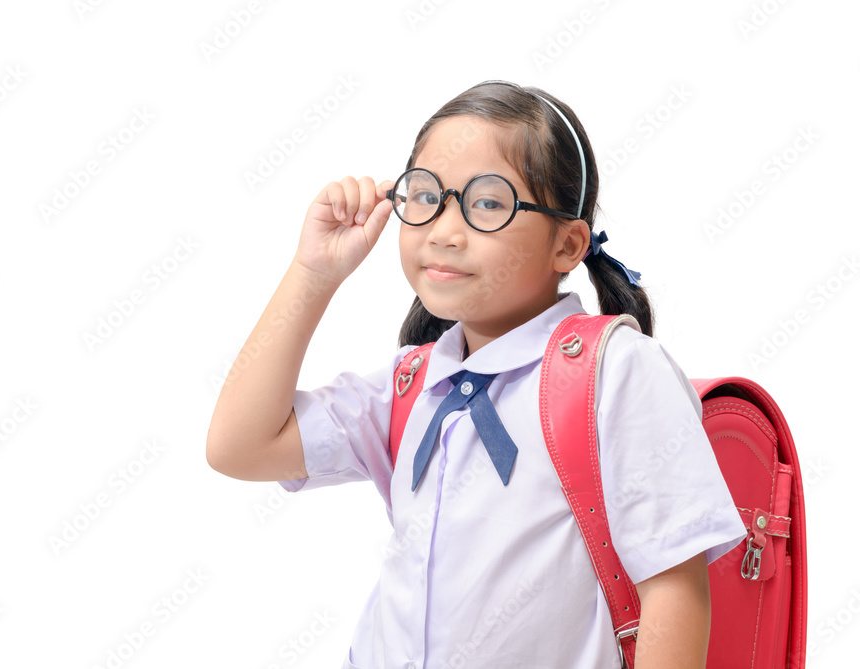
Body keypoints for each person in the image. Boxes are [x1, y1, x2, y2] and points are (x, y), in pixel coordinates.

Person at [206, 80, 746, 668]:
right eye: (426, 195)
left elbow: (672, 588)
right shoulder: (409, 389)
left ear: (567, 245)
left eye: (488, 203)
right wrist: (314, 273)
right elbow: (240, 447)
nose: (444, 230)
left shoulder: (616, 371)